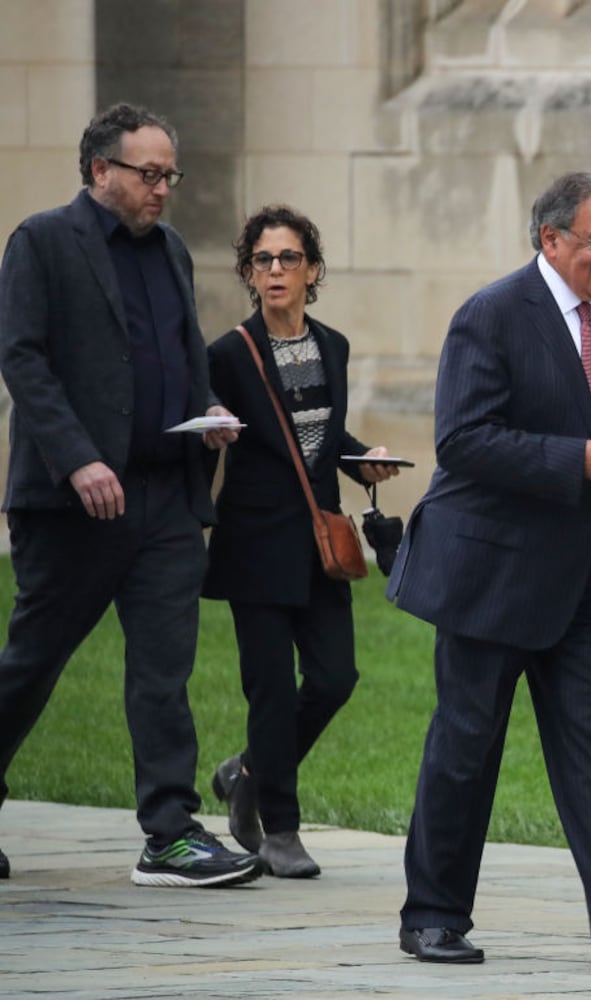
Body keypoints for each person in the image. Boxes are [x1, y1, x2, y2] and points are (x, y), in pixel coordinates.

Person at [386, 172, 591, 965]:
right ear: (551, 239)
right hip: (488, 574)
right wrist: (579, 459)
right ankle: (432, 915)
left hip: (581, 576)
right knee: (465, 746)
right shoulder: (492, 316)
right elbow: (463, 439)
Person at [0, 103, 258, 887]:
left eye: (169, 174)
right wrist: (78, 459)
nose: (163, 189)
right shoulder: (43, 242)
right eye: (149, 174)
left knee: (162, 672)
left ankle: (170, 833)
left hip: (166, 500)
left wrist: (208, 410)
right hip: (73, 505)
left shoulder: (172, 250)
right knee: (33, 662)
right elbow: (23, 359)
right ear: (98, 170)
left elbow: (182, 356)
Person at [203, 205, 399, 878]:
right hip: (254, 541)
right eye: (263, 260)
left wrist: (360, 456)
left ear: (313, 270)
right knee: (269, 688)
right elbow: (210, 435)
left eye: (289, 258)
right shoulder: (229, 355)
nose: (276, 270)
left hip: (320, 539)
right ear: (249, 273)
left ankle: (248, 769)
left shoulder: (332, 346)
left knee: (334, 677)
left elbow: (318, 439)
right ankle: (279, 828)